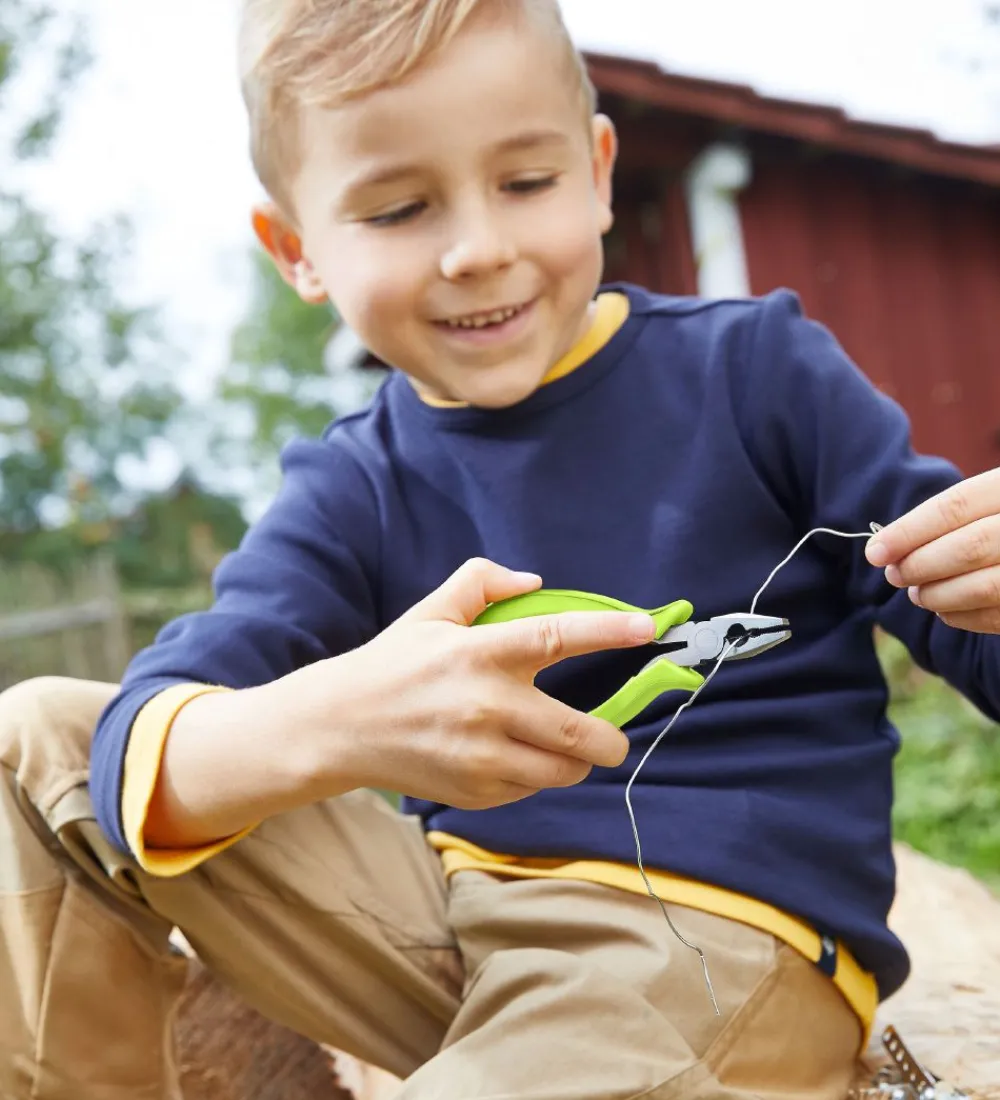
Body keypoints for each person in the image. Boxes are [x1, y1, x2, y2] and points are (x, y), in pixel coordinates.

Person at [2, 1, 999, 1097]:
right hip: (447, 923)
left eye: (525, 183)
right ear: (298, 251)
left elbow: (967, 641)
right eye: (396, 208)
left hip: (711, 939)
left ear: (598, 170)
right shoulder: (352, 481)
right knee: (36, 740)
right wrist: (333, 723)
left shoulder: (760, 374)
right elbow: (133, 741)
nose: (479, 249)